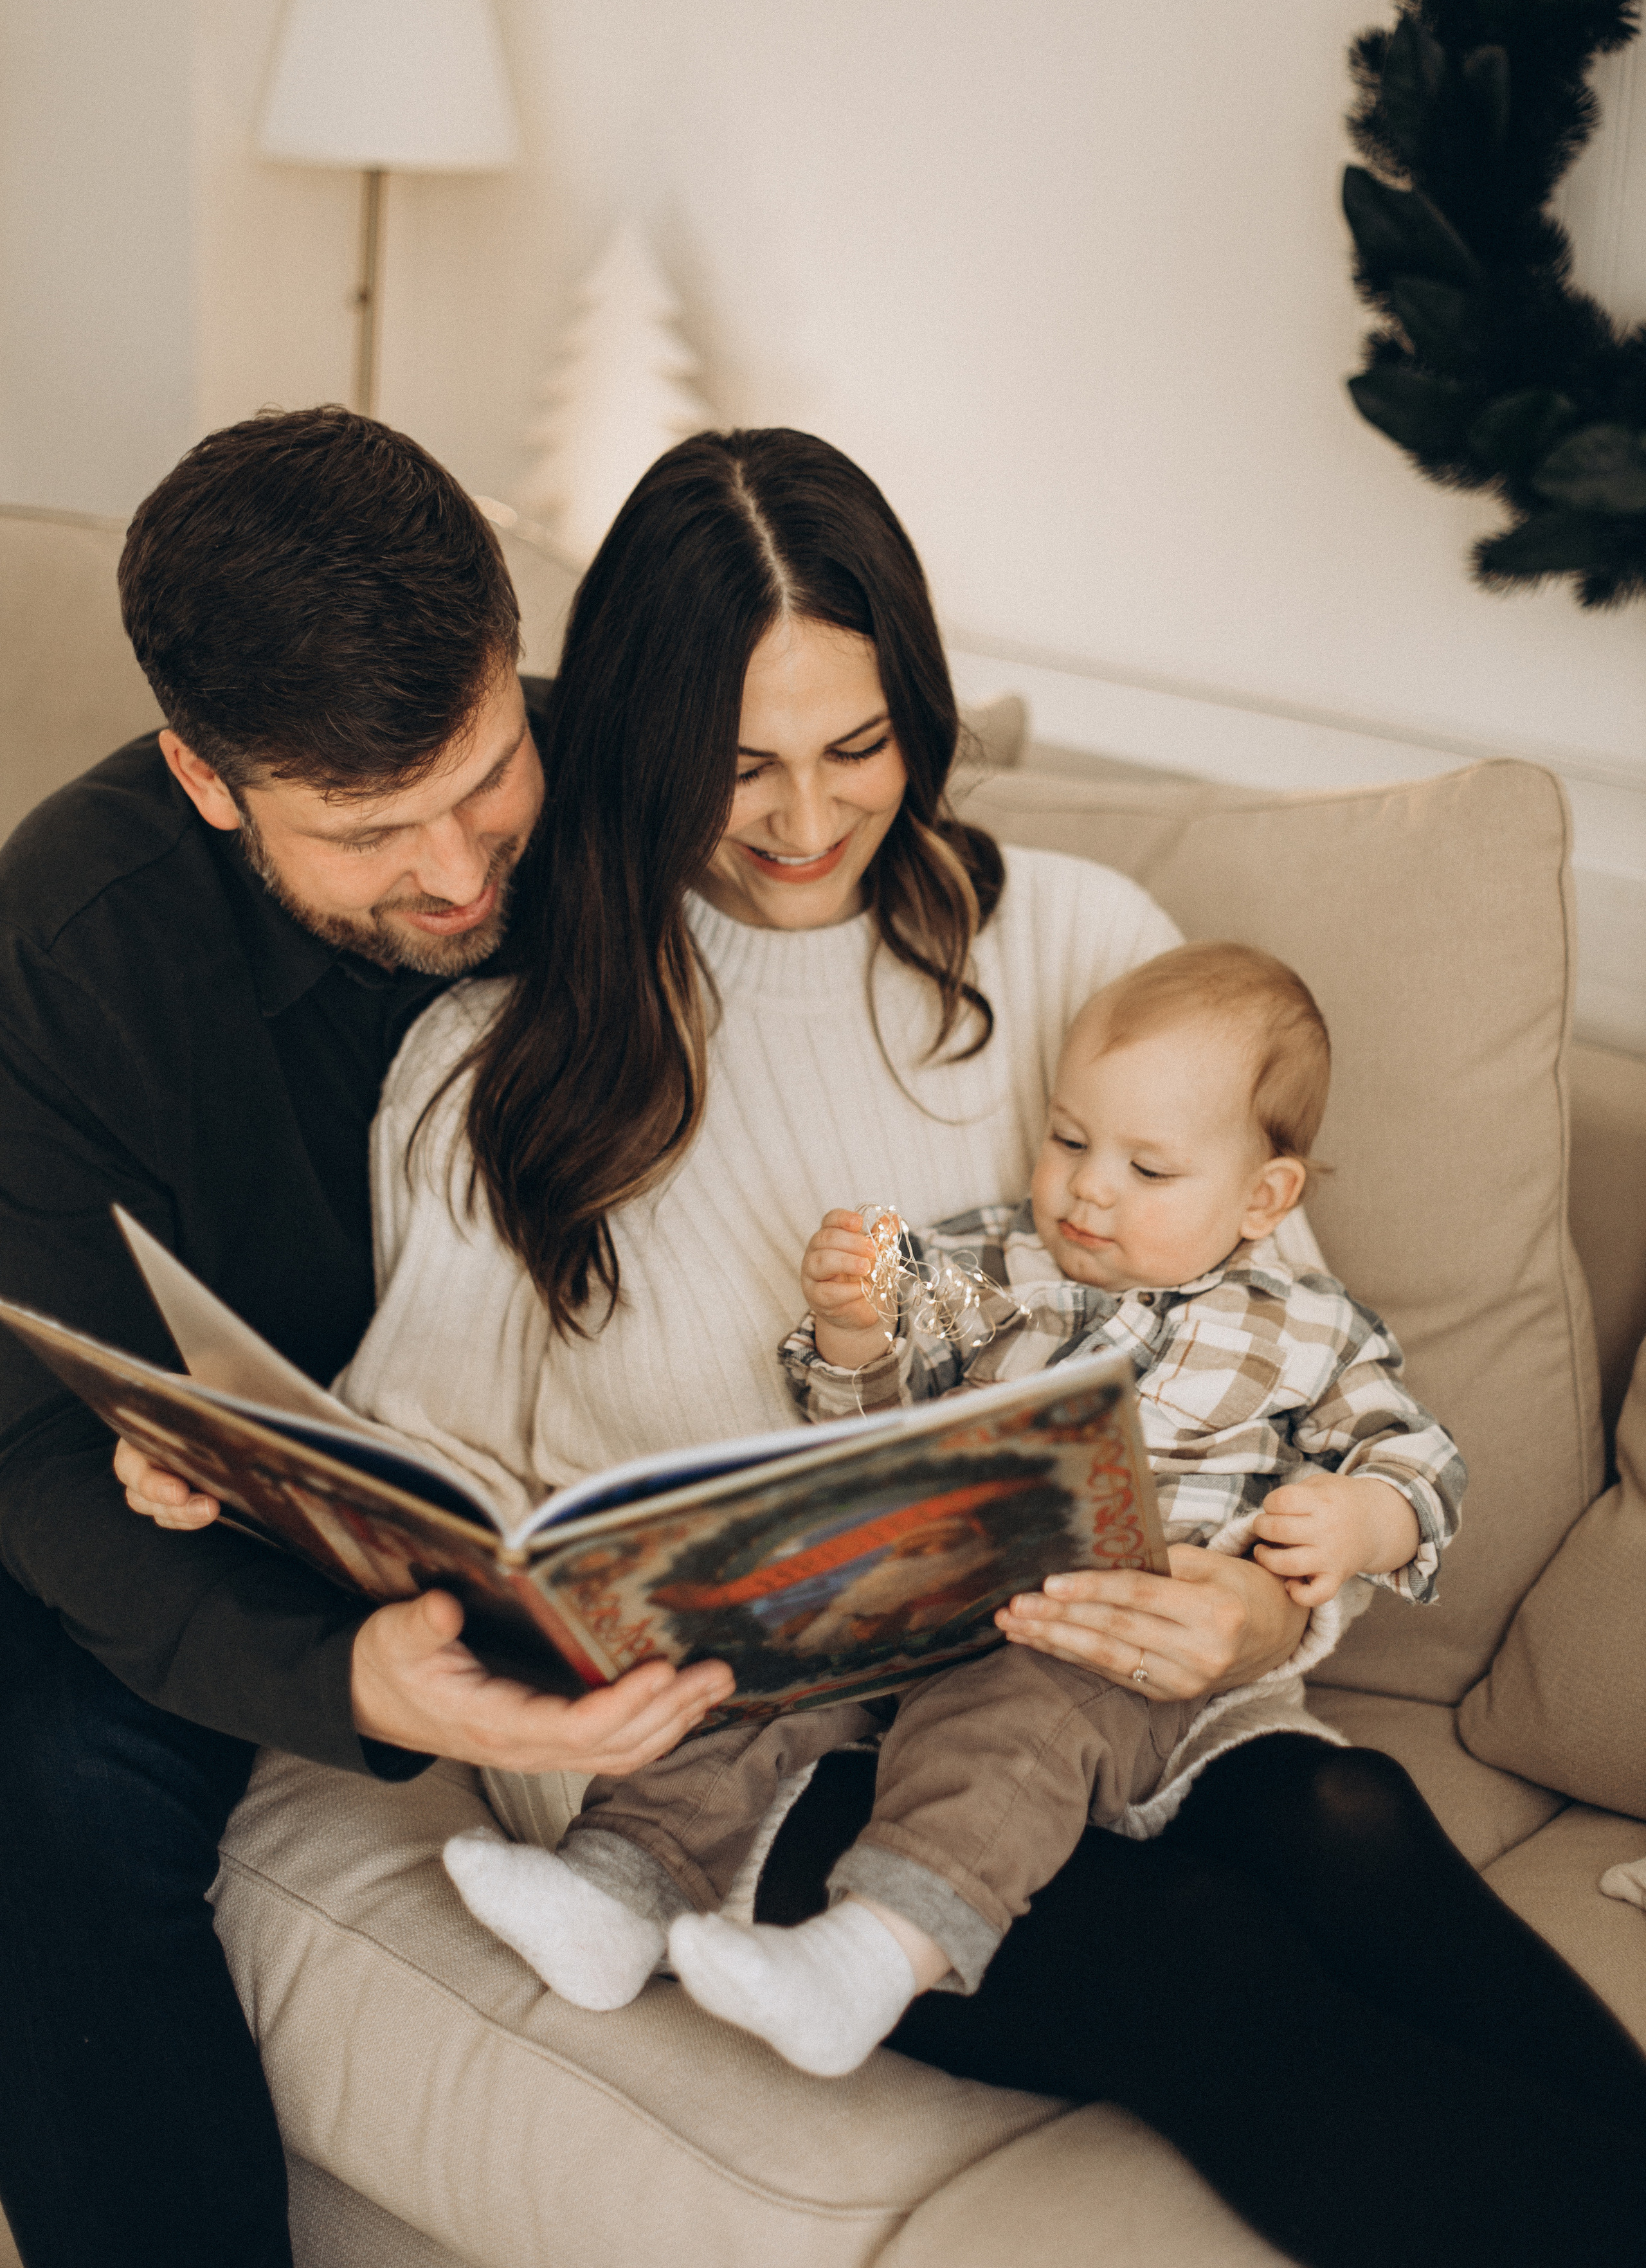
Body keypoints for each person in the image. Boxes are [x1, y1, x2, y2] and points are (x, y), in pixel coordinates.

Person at [314, 428, 1646, 2266]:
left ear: (920, 712)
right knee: (1190, 1959)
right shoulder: (494, 1070)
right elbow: (430, 1483)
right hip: (738, 1744)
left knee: (1349, 1821)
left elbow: (1282, 1363)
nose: (803, 820)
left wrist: (1261, 1613)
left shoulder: (1080, 946)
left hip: (1109, 1686)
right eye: (740, 766)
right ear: (636, 743)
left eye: (857, 748)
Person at [0, 408, 732, 2268]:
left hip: (627, 1483)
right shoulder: (66, 956)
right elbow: (26, 1446)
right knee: (44, 1796)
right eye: (366, 830)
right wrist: (353, 1692)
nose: (459, 874)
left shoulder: (649, 802)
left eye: (480, 775)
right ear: (205, 775)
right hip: (248, 1535)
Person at [439, 942, 1467, 2079]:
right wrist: (852, 1328)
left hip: (1104, 1650)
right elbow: (866, 1427)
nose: (1090, 1186)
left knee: (1004, 1730)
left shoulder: (1308, 1330)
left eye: (1149, 1169)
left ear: (1264, 1196)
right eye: (1069, 1140)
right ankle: (613, 1891)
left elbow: (1417, 1459)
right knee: (751, 1672)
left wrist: (1363, 1523)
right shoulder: (985, 1268)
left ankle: (872, 1954)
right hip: (921, 1588)